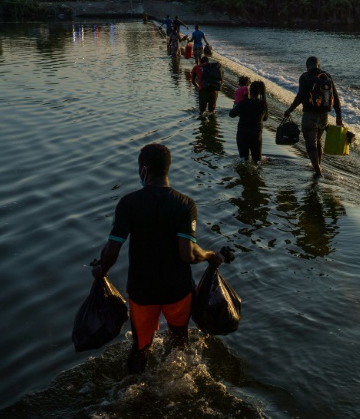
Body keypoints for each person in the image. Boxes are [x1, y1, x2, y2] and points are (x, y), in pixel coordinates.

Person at [91, 143, 234, 374]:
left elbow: (111, 251)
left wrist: (101, 271)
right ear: (168, 169)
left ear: (144, 171)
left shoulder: (129, 203)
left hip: (142, 291)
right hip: (177, 291)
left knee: (140, 347)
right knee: (179, 342)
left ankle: (134, 389)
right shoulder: (185, 204)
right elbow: (187, 253)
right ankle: (180, 382)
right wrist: (210, 256)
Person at [283, 56, 343, 179]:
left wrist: (290, 110)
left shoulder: (305, 77)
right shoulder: (327, 76)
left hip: (309, 115)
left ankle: (318, 172)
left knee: (311, 144)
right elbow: (335, 97)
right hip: (324, 116)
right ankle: (317, 166)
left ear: (307, 66)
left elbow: (300, 96)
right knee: (319, 142)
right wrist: (338, 116)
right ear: (318, 65)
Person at [229, 80, 268, 163]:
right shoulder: (263, 104)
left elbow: (231, 114)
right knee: (257, 161)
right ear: (260, 92)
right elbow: (265, 118)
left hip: (243, 133)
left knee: (244, 159)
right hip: (256, 134)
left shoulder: (244, 103)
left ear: (250, 91)